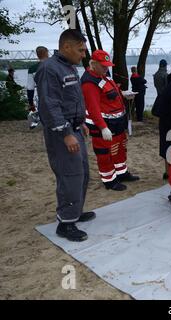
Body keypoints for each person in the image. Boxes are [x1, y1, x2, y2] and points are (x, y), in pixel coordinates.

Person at [35, 29, 94, 242]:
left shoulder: (69, 67)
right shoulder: (49, 68)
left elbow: (73, 98)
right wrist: (66, 133)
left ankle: (75, 211)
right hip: (61, 133)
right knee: (70, 175)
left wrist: (82, 122)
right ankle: (66, 223)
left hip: (75, 128)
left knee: (83, 173)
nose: (83, 55)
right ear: (66, 47)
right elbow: (50, 105)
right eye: (80, 50)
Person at [81, 49, 140, 191]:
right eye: (103, 65)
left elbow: (111, 95)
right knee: (105, 154)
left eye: (107, 65)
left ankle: (121, 173)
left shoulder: (104, 76)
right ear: (93, 64)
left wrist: (123, 95)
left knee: (120, 149)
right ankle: (109, 180)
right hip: (105, 125)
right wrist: (102, 127)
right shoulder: (89, 83)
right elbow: (93, 108)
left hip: (117, 122)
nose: (106, 68)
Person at [26, 46, 49, 129]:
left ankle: (39, 123)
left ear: (37, 55)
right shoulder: (55, 66)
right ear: (47, 53)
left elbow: (30, 88)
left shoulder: (32, 69)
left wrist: (31, 103)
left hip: (40, 95)